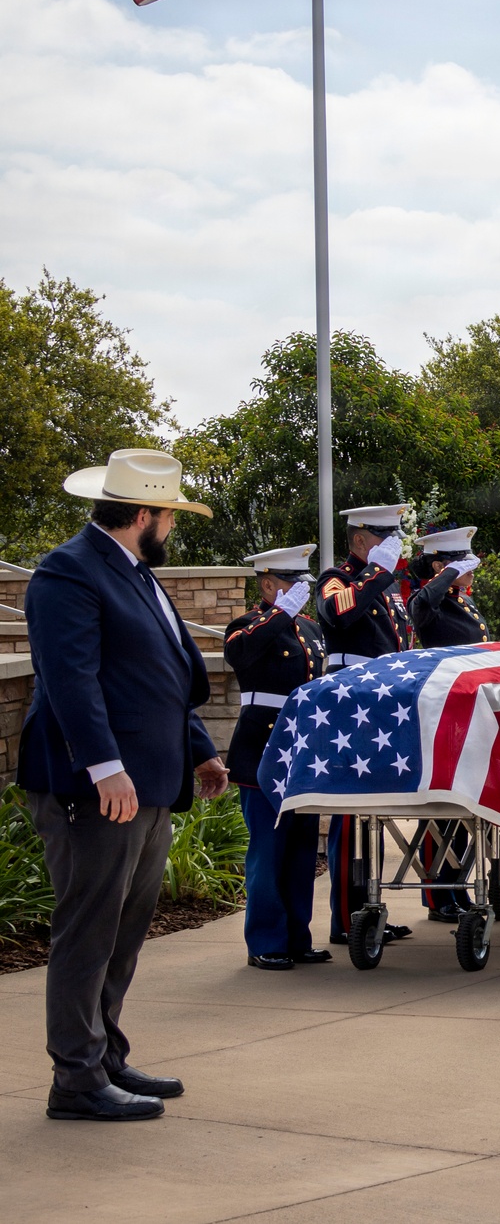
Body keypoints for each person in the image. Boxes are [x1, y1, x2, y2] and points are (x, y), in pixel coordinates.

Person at [18, 449, 229, 1122]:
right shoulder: (67, 571)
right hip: (97, 788)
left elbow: (160, 675)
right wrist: (104, 765)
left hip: (149, 784)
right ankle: (75, 1078)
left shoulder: (133, 572)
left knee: (124, 930)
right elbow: (68, 675)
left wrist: (200, 752)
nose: (171, 527)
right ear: (144, 514)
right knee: (89, 931)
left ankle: (103, 1053)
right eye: (168, 515)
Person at [224, 545, 329, 971]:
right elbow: (240, 654)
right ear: (268, 585)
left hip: (302, 750)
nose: (300, 592)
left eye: (304, 583)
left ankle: (297, 937)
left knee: (302, 851)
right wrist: (280, 613)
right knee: (267, 850)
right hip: (261, 749)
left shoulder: (311, 629)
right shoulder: (247, 625)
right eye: (292, 583)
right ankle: (266, 939)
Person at [315, 503, 412, 945]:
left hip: (383, 709)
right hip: (352, 709)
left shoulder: (387, 585)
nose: (391, 545)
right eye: (382, 536)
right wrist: (376, 573)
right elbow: (339, 613)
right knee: (352, 819)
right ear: (358, 540)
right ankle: (345, 920)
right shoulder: (338, 577)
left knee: (373, 818)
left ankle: (368, 909)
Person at [407, 524, 486, 922]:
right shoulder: (433, 601)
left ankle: (456, 886)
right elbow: (419, 607)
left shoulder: (464, 603)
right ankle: (439, 896)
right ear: (439, 565)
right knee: (441, 810)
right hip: (442, 712)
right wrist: (449, 574)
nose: (470, 568)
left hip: (467, 710)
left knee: (462, 809)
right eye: (460, 560)